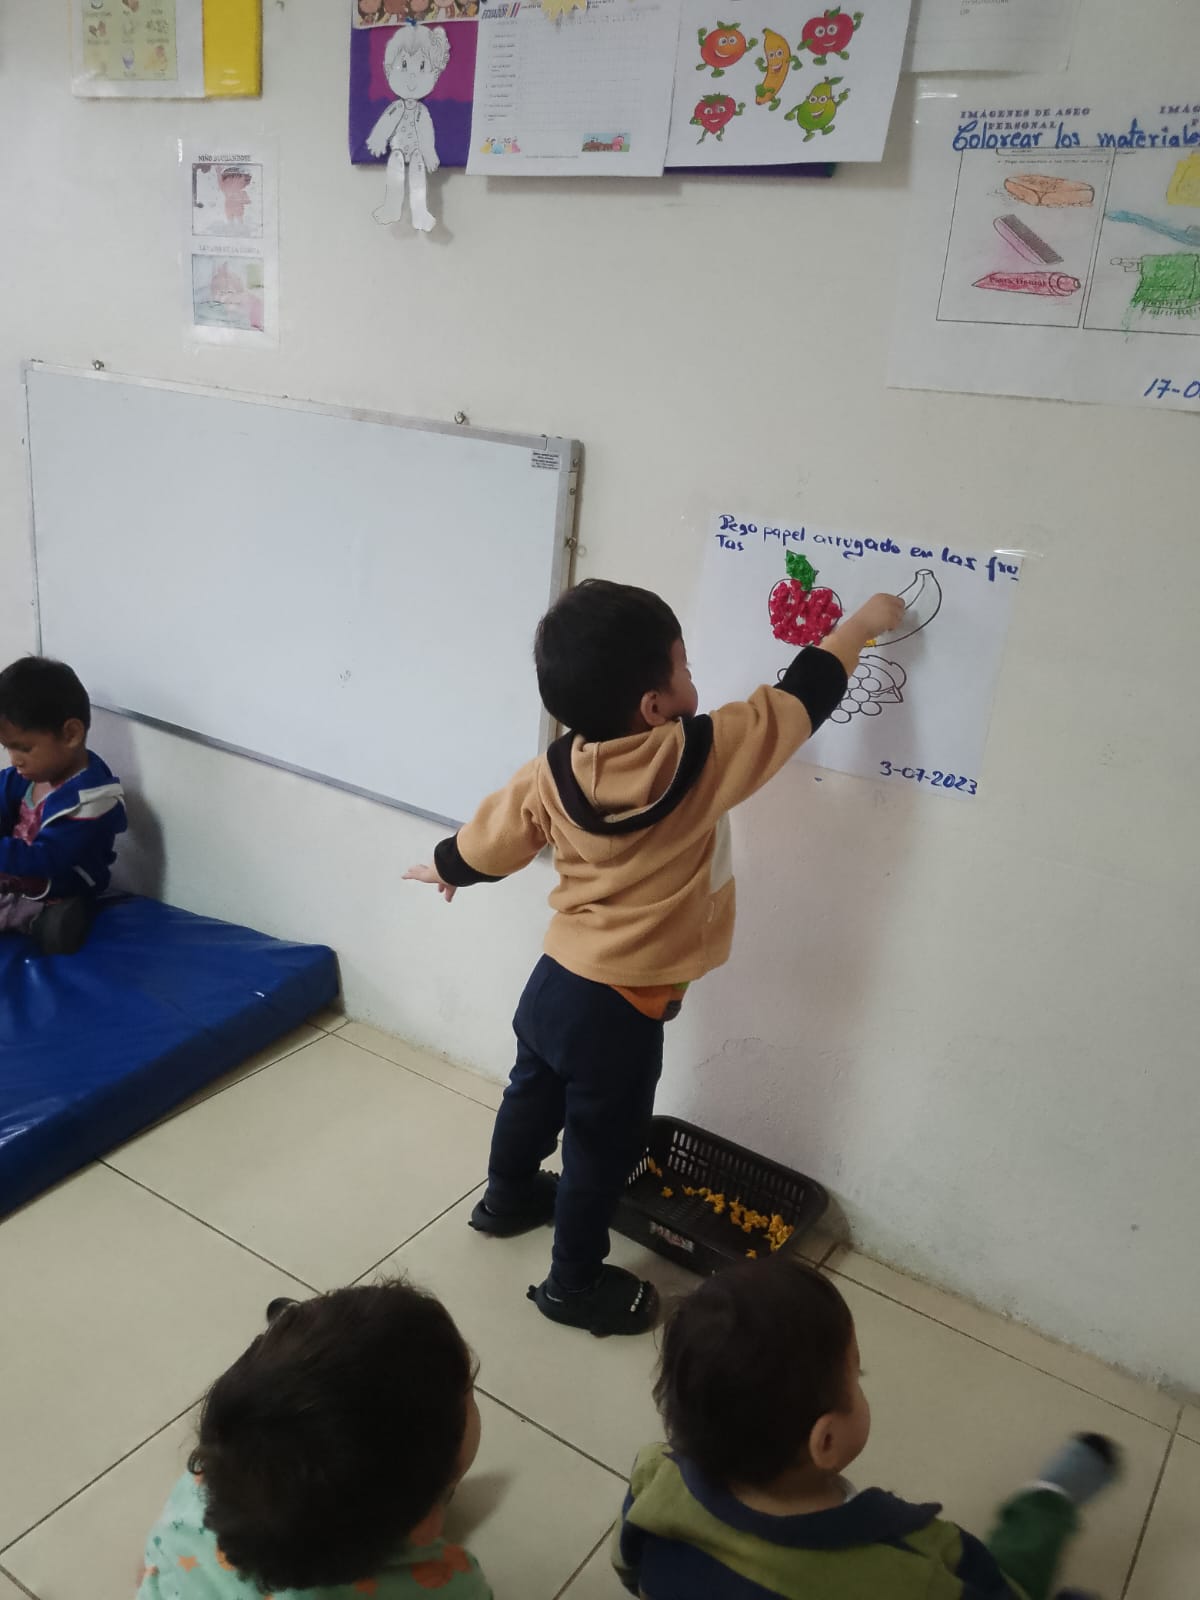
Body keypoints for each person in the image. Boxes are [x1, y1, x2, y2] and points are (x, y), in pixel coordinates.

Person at [405, 578, 903, 1336]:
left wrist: (449, 867)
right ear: (654, 705)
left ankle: (505, 1200)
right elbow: (796, 703)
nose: (694, 678)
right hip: (621, 1011)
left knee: (530, 1096)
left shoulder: (552, 770)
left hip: (554, 983)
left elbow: (493, 839)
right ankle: (573, 1285)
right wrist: (860, 625)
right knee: (599, 1152)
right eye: (685, 666)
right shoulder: (702, 758)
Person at [615, 1254, 1119, 1599]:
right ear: (826, 1441)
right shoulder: (908, 1565)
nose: (860, 1384)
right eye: (858, 1375)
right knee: (1014, 1568)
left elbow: (630, 1566)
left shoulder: (656, 1475)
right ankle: (1047, 1503)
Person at [138, 1283, 491, 1599]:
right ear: (427, 1526)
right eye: (468, 1392)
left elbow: (153, 1568)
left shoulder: (201, 1491)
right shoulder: (450, 1584)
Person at [0, 655, 126, 955]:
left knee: (38, 912)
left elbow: (48, 859)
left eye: (24, 748)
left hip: (55, 882)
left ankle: (44, 920)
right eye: (8, 748)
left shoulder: (92, 801)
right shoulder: (27, 774)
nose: (15, 760)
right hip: (16, 867)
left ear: (70, 734)